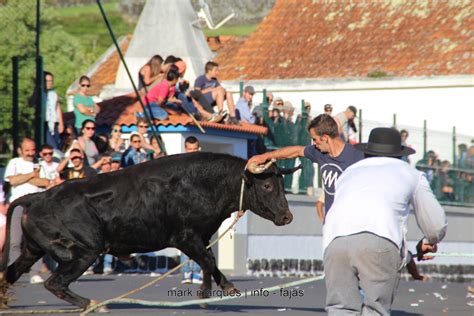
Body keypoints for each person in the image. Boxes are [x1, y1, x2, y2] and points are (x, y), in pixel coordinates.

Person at [322, 127, 447, 315]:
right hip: (379, 240)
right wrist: (428, 241)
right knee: (375, 309)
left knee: (341, 308)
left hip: (334, 241)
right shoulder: (410, 173)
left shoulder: (348, 172)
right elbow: (436, 225)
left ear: (366, 151)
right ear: (399, 154)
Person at [248, 114, 364, 215]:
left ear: (325, 138)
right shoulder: (319, 152)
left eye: (315, 139)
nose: (313, 143)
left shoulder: (358, 156)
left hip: (354, 225)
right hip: (332, 226)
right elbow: (296, 151)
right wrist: (264, 156)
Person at [3, 138, 52, 284]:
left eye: (33, 149)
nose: (31, 153)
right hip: (17, 204)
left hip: (35, 205)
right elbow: (12, 181)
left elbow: (45, 182)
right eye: (27, 150)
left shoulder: (41, 163)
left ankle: (35, 271)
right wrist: (31, 175)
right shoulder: (15, 163)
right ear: (20, 151)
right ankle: (14, 272)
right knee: (15, 242)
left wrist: (23, 178)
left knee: (36, 240)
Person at [180, 136, 203, 284]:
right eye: (190, 149)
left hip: (198, 207)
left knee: (199, 239)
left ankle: (196, 271)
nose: (192, 152)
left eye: (195, 149)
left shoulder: (203, 165)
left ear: (199, 149)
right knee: (183, 239)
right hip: (183, 207)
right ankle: (186, 272)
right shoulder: (180, 165)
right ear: (185, 149)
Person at [44, 71, 64, 149]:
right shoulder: (40, 93)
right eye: (47, 81)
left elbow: (57, 108)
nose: (49, 83)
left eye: (51, 81)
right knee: (52, 146)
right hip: (46, 122)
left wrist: (61, 123)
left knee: (57, 144)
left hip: (54, 122)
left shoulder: (54, 94)